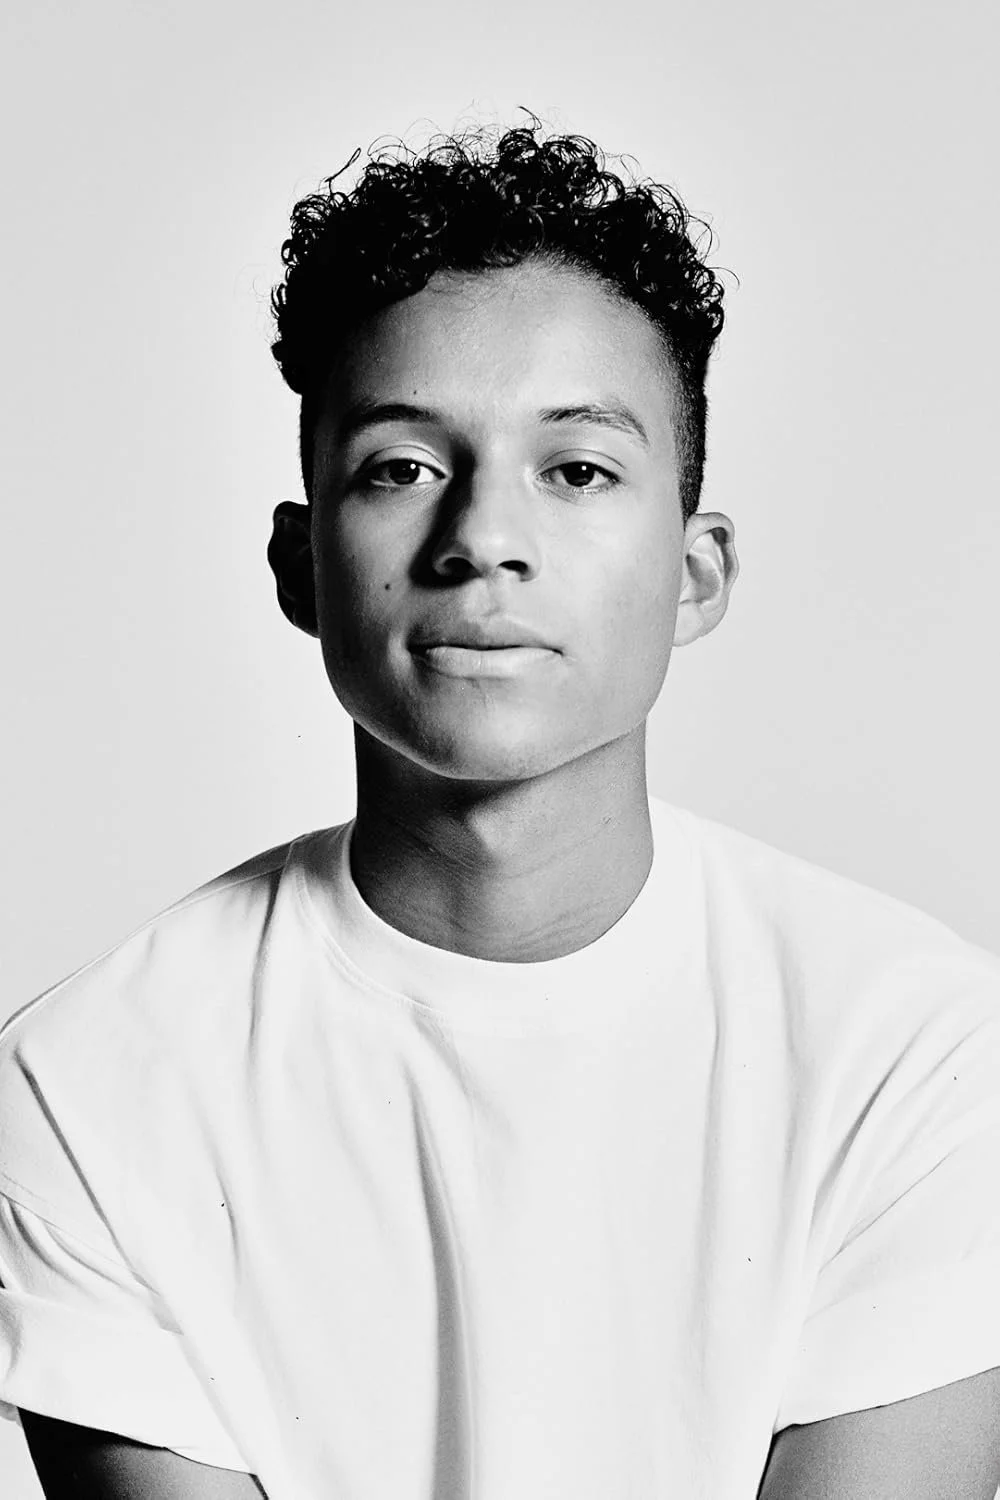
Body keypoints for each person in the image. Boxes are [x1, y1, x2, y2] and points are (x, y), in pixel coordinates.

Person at [2, 116, 999, 1500]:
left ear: (698, 572)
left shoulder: (920, 1052)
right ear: (299, 566)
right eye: (402, 468)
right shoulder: (88, 1088)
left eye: (576, 470)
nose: (482, 540)